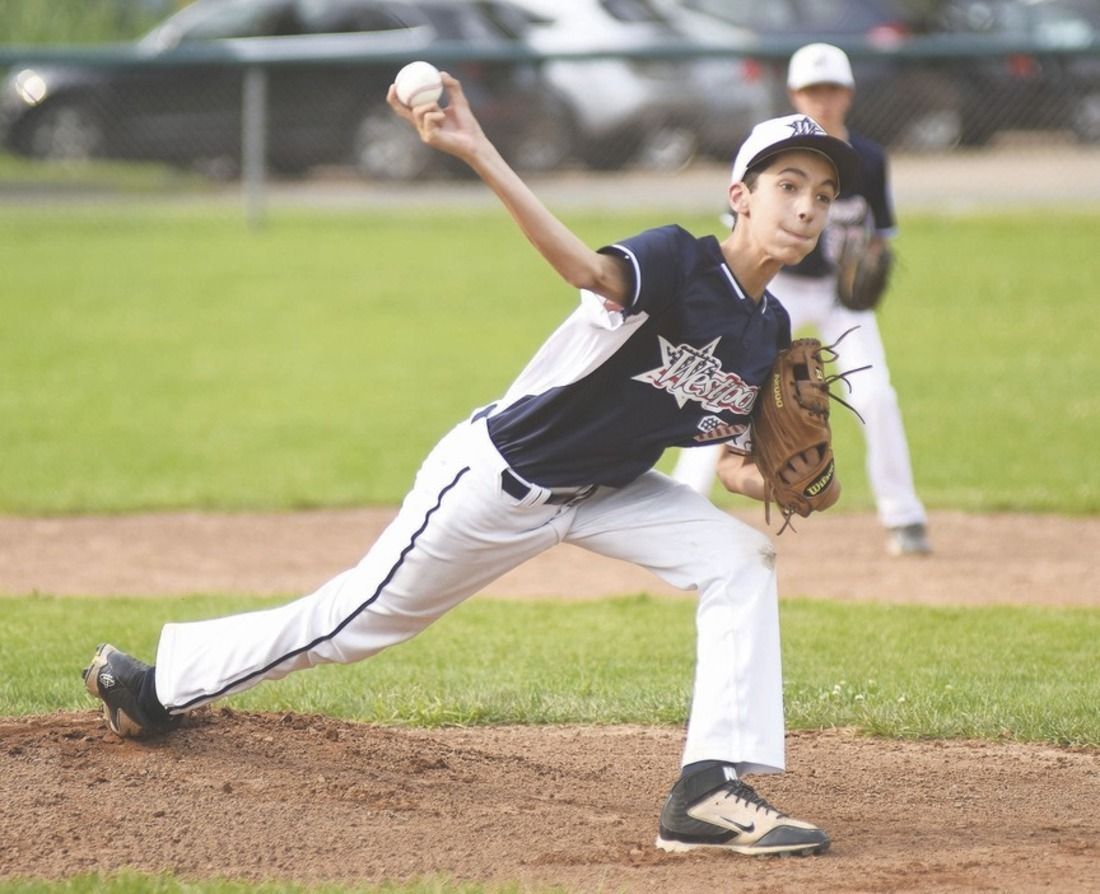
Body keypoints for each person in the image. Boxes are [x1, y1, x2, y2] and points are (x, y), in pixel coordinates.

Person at [82, 71, 861, 857]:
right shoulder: (678, 263)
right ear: (741, 194)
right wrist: (477, 147)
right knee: (356, 623)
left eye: (823, 195)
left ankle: (707, 788)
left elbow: (736, 468)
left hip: (612, 490)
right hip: (502, 479)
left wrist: (801, 485)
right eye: (788, 184)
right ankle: (154, 690)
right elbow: (584, 270)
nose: (805, 207)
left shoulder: (772, 331)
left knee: (740, 555)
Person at [671, 42, 931, 557]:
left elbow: (878, 233)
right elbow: (741, 237)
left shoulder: (870, 159)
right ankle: (680, 502)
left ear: (848, 94)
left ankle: (904, 517)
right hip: (775, 289)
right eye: (813, 90)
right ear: (794, 94)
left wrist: (872, 263)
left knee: (876, 396)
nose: (823, 100)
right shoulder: (770, 153)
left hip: (840, 299)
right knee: (724, 393)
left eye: (832, 89)